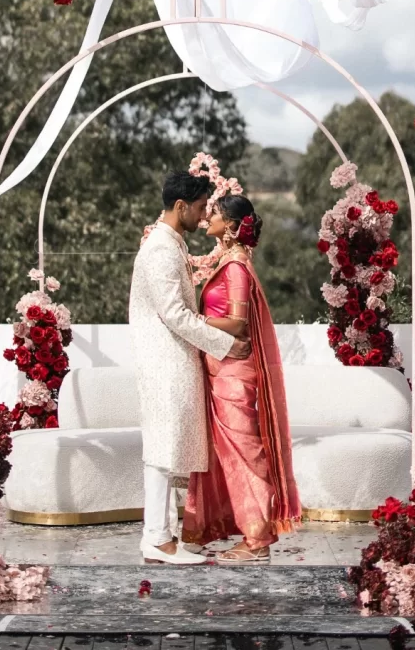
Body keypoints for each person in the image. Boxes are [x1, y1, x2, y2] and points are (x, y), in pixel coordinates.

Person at [129, 171, 252, 565]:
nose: (203, 217)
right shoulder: (162, 249)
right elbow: (175, 315)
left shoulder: (169, 243)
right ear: (181, 205)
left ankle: (159, 538)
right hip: (165, 358)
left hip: (171, 358)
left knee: (165, 449)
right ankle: (158, 539)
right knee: (163, 450)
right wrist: (228, 345)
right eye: (200, 208)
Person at [182, 193, 301, 562]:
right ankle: (235, 527)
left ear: (231, 229)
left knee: (245, 454)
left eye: (215, 214)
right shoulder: (229, 261)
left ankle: (257, 540)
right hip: (222, 368)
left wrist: (192, 319)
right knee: (227, 454)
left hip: (234, 373)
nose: (208, 218)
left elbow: (237, 323)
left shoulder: (236, 268)